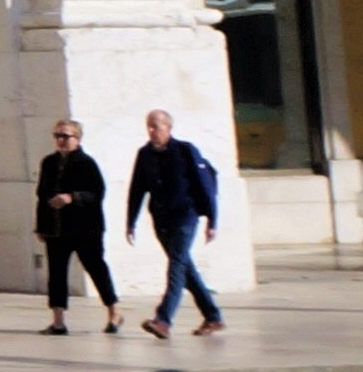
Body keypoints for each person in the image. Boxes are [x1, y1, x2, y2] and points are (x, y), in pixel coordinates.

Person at [126, 106, 228, 339]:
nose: (152, 131)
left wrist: (213, 219)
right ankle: (213, 316)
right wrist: (130, 221)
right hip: (161, 220)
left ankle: (163, 320)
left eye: (157, 126)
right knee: (186, 270)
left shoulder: (185, 151)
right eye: (149, 126)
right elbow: (137, 189)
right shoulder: (145, 155)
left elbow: (205, 186)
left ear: (168, 128)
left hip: (185, 216)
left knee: (176, 269)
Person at [32, 117, 117, 334]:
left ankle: (113, 311)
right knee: (57, 273)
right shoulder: (48, 163)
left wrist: (72, 197)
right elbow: (42, 195)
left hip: (85, 228)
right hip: (57, 228)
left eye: (65, 136)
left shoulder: (86, 163)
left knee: (96, 268)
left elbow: (97, 193)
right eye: (57, 136)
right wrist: (41, 226)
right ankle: (58, 321)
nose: (60, 140)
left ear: (77, 139)